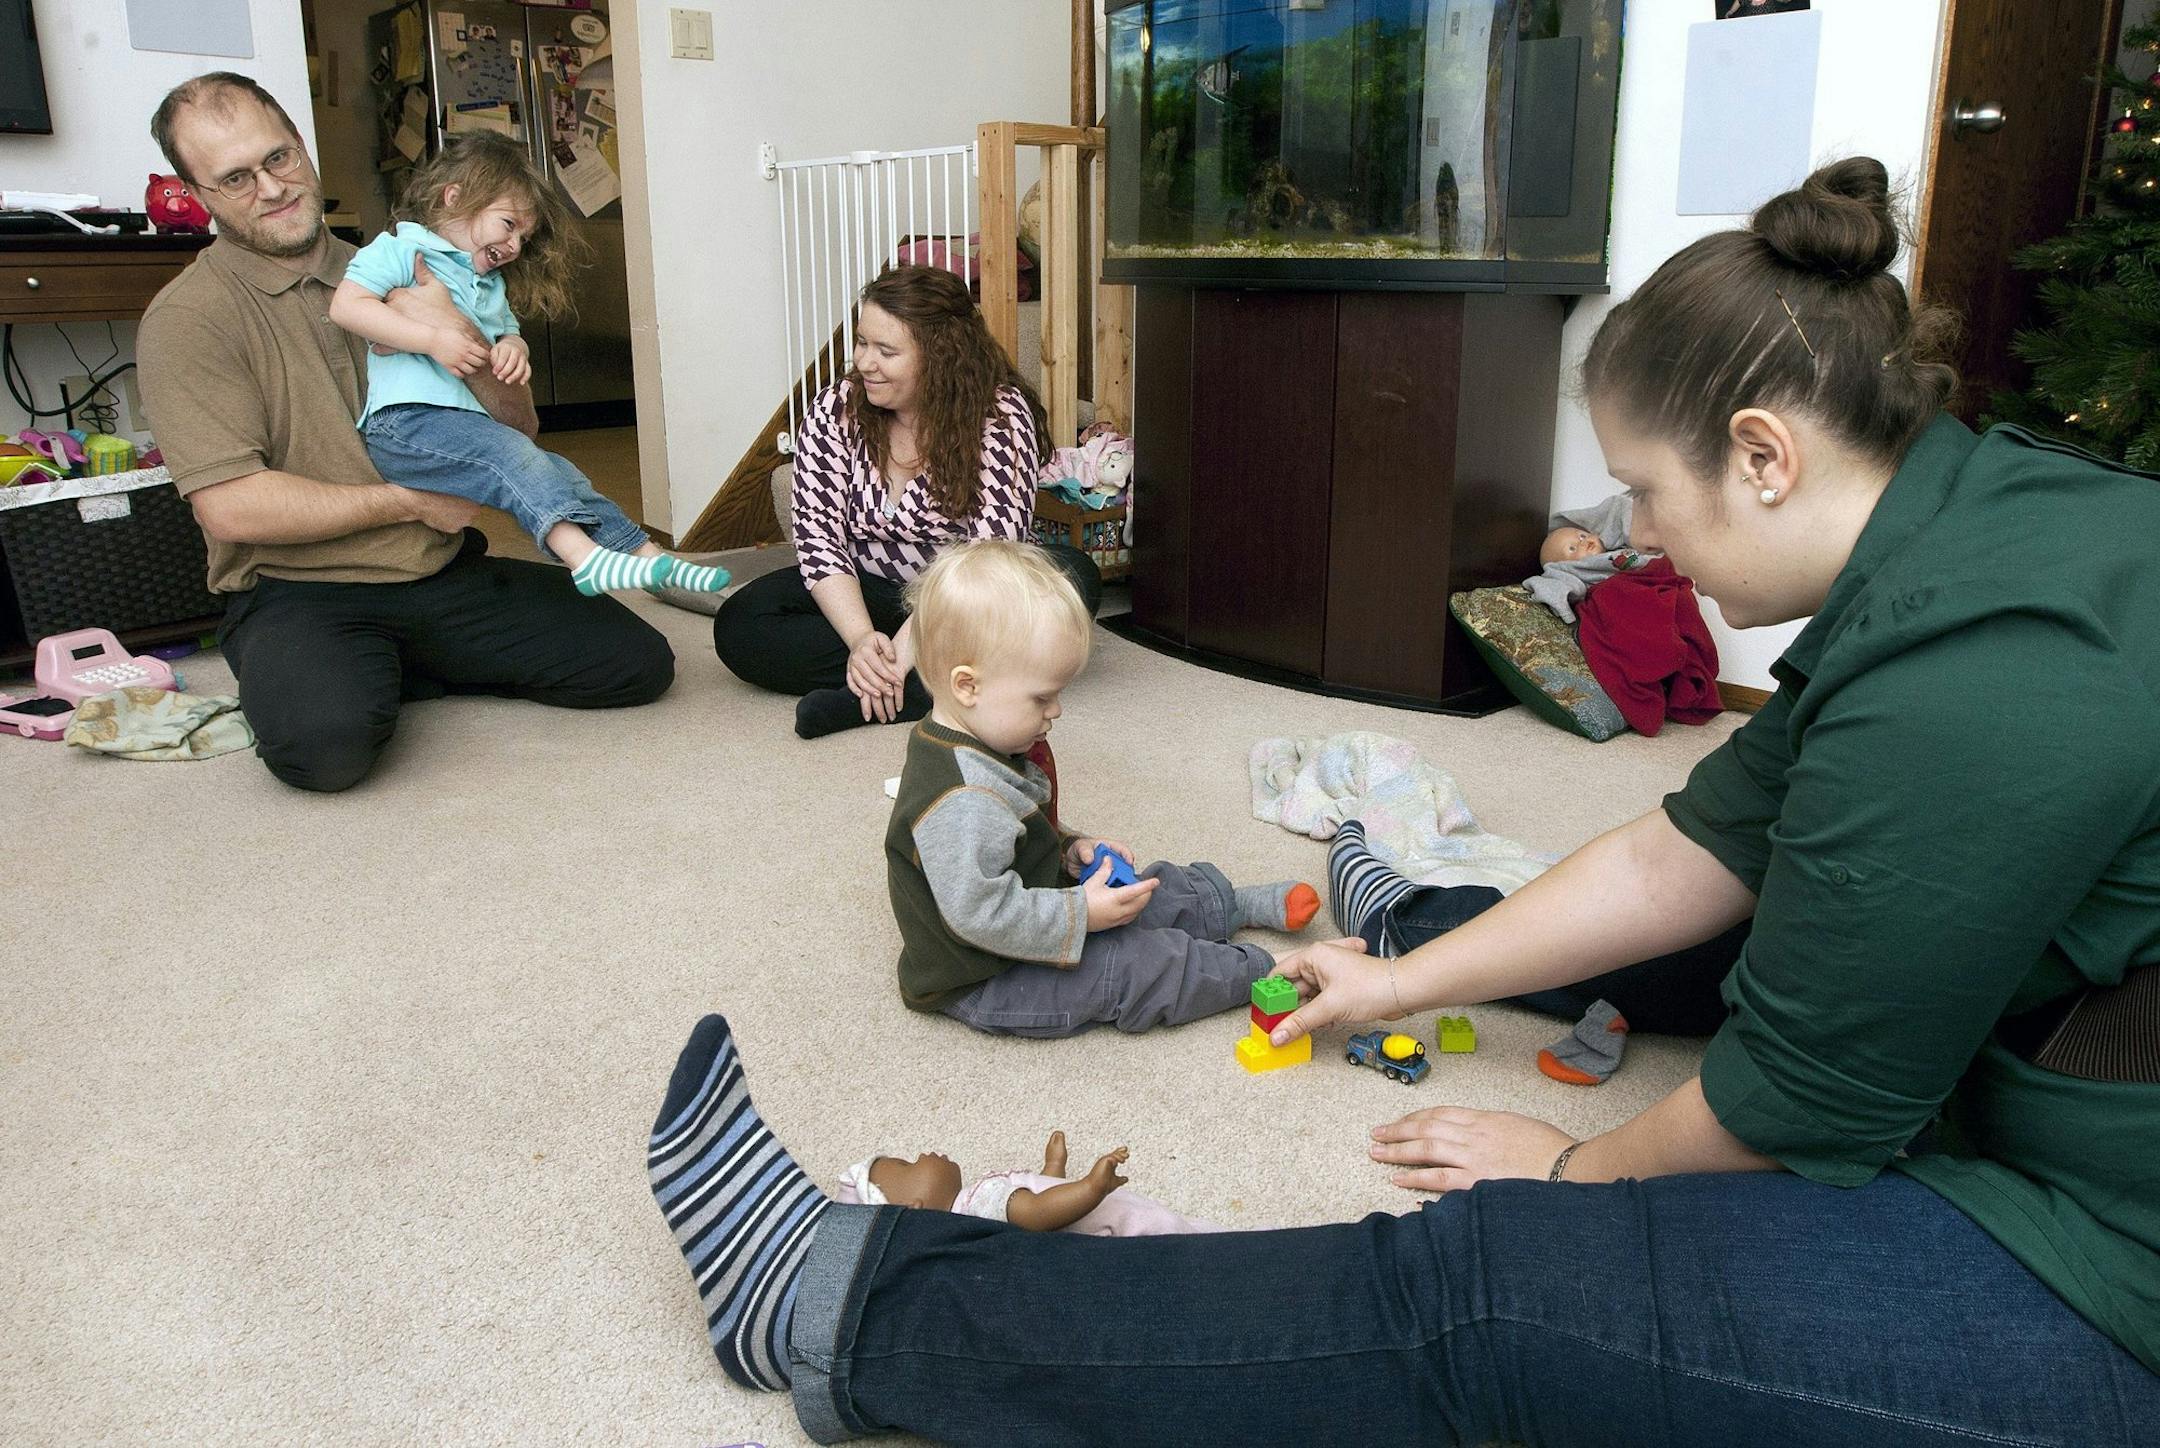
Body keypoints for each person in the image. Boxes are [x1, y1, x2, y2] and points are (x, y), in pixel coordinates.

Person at [645, 158, 2160, 1442]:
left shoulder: (1988, 676)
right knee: (1743, 926)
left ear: (1762, 456)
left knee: (1495, 1286)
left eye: (1643, 489)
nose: (1630, 532)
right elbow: (1695, 845)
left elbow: (1795, 1112)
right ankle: (1402, 915)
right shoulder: (1983, 529)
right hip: (2036, 1025)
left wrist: (1574, 1173)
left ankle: (849, 1307)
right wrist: (1406, 981)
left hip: (2115, 1271)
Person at [136, 74, 673, 793]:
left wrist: (454, 334)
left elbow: (520, 432)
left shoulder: (417, 260)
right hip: (299, 589)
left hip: (437, 568)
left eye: (279, 158)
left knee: (636, 665)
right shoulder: (188, 318)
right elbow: (231, 508)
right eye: (235, 177)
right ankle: (355, 671)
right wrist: (411, 502)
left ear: (302, 146)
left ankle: (393, 666)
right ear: (199, 195)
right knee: (323, 751)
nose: (271, 188)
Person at [889, 541, 1320, 1037]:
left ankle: (1228, 905)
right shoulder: (961, 801)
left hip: (1035, 908)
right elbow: (982, 915)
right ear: (968, 686)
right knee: (1132, 965)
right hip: (987, 976)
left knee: (1140, 887)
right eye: (1042, 697)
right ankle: (1258, 972)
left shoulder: (980, 742)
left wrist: (1069, 848)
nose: (1056, 711)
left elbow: (1015, 824)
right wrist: (1079, 913)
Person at [330, 132, 728, 601]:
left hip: (462, 425)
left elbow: (506, 332)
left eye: (524, 236)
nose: (516, 244)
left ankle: (649, 559)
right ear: (454, 198)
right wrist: (433, 338)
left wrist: (514, 348)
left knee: (558, 470)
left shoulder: (487, 283)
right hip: (406, 426)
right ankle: (583, 558)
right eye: (508, 224)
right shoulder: (401, 249)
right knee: (513, 456)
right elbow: (347, 307)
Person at [711, 266, 1103, 740]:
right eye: (861, 343)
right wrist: (859, 640)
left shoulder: (1000, 414)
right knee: (742, 622)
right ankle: (919, 684)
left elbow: (988, 551)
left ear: (941, 356)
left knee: (1072, 579)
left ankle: (877, 695)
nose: (865, 363)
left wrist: (906, 645)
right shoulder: (837, 408)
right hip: (870, 591)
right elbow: (818, 537)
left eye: (887, 351)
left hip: (967, 597)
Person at [834, 1130, 1215, 1236]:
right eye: (907, 1163)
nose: (922, 1154)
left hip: (1096, 1219)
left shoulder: (975, 1210)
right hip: (1120, 1226)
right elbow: (1036, 1212)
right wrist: (1091, 1187)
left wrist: (1052, 1168)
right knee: (1180, 1236)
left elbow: (1042, 1210)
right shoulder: (974, 1206)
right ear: (915, 1211)